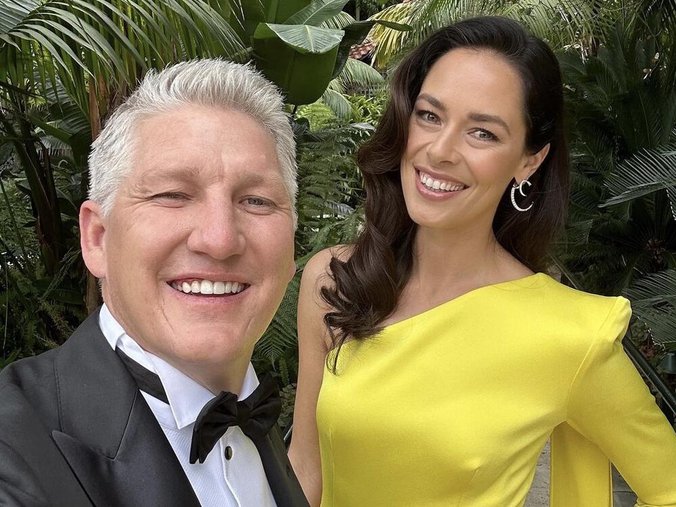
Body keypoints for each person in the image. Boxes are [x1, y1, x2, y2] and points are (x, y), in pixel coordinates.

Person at [288, 16, 676, 507]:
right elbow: (304, 469)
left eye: (483, 133)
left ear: (529, 160)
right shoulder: (337, 281)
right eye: (429, 116)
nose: (440, 151)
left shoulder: (570, 336)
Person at [0, 59, 309, 507]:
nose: (220, 239)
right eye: (172, 195)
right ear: (98, 238)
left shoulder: (250, 412)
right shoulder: (14, 450)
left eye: (256, 201)